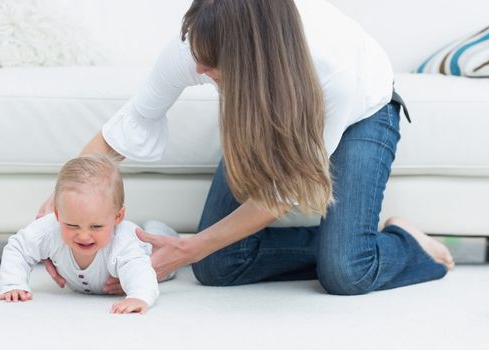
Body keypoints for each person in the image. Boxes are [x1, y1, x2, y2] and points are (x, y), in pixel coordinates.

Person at [38, 0, 454, 296]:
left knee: (347, 272)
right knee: (216, 265)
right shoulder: (198, 44)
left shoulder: (335, 73)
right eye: (198, 57)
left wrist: (187, 247)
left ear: (253, 62)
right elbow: (128, 128)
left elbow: (282, 193)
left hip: (364, 112)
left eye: (213, 66)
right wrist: (57, 209)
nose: (200, 70)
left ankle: (400, 243)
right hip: (270, 111)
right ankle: (348, 240)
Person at [0, 154, 178, 313]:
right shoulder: (49, 230)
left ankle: (162, 231)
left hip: (148, 248)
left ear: (118, 216)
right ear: (58, 214)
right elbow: (18, 248)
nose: (83, 236)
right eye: (72, 225)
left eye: (96, 226)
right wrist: (14, 284)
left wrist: (139, 297)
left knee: (157, 250)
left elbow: (141, 272)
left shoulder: (124, 243)